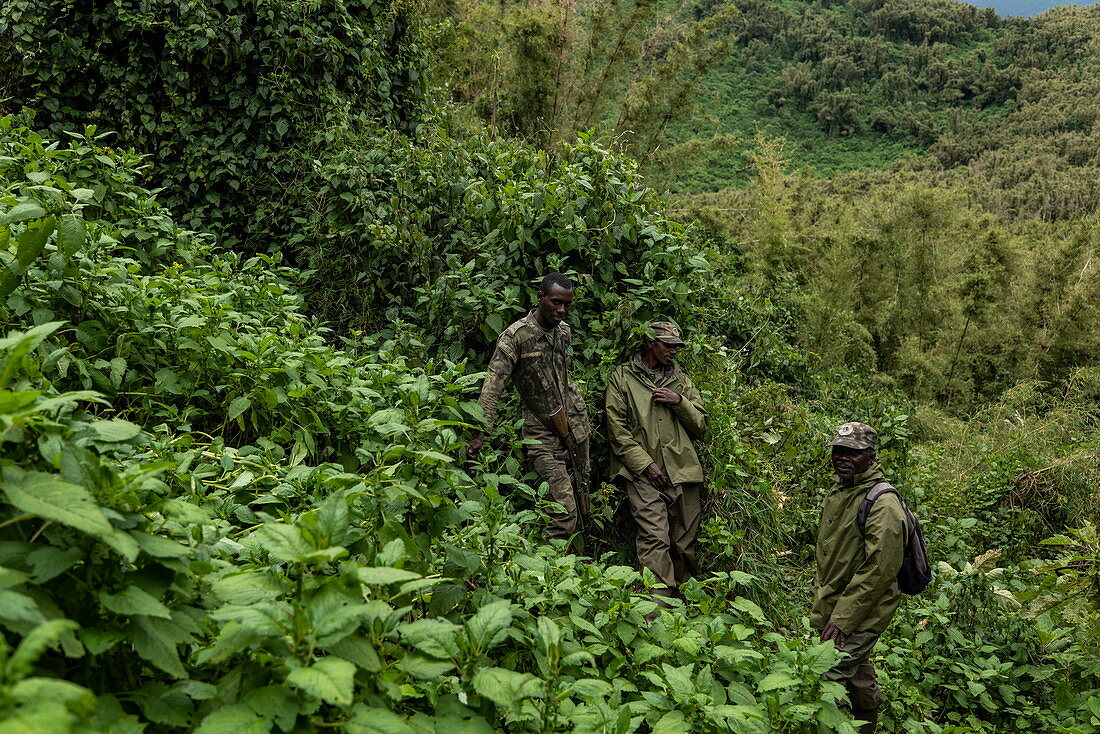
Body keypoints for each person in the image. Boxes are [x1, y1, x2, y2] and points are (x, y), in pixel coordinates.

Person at [467, 273, 591, 544]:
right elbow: (493, 385)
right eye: (556, 302)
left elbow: (564, 377)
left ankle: (574, 568)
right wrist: (480, 432)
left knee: (583, 496)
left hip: (575, 427)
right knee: (564, 511)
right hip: (541, 433)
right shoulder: (516, 337)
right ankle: (545, 570)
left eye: (567, 305)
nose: (561, 310)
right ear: (540, 297)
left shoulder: (564, 333)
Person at [605, 322, 707, 613]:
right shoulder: (622, 378)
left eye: (677, 346)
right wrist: (645, 464)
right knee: (654, 539)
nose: (673, 351)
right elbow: (617, 430)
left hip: (682, 470)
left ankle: (686, 606)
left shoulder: (681, 381)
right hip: (643, 475)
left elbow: (701, 425)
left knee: (685, 542)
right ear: (651, 343)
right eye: (667, 345)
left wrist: (680, 402)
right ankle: (656, 611)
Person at [812, 422, 908, 734]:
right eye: (838, 450)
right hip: (838, 603)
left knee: (830, 672)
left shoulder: (882, 502)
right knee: (857, 673)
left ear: (870, 455)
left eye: (852, 452)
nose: (842, 457)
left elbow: (879, 570)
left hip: (864, 608)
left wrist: (842, 619)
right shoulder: (842, 490)